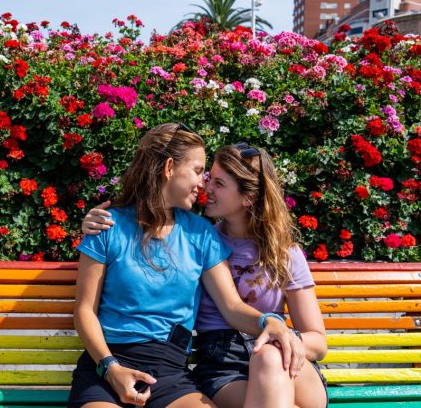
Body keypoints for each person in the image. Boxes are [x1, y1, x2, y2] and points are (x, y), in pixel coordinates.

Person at [69, 123, 303, 408]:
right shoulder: (107, 226)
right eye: (197, 171)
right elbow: (84, 310)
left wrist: (269, 322)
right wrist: (111, 369)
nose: (202, 183)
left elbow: (231, 307)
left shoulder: (201, 235)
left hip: (170, 372)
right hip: (106, 369)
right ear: (169, 167)